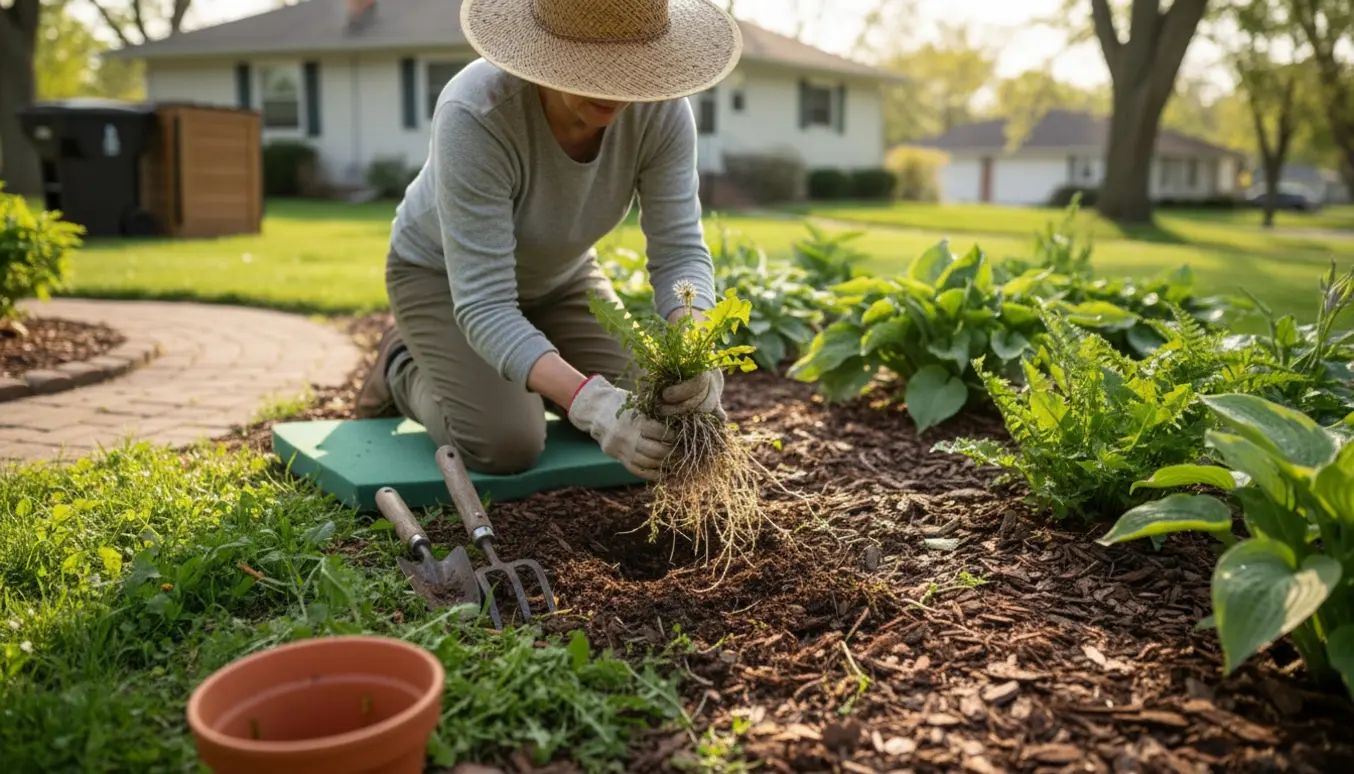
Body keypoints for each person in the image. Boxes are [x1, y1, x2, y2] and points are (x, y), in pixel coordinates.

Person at [355, 0, 743, 482]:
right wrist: (591, 404)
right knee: (507, 444)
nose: (617, 90)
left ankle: (521, 369)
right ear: (546, 53)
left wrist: (695, 346)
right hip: (443, 280)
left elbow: (679, 250)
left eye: (633, 68)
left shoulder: (662, 114)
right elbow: (486, 303)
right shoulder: (476, 112)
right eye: (593, 69)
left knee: (658, 408)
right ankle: (403, 363)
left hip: (562, 277)